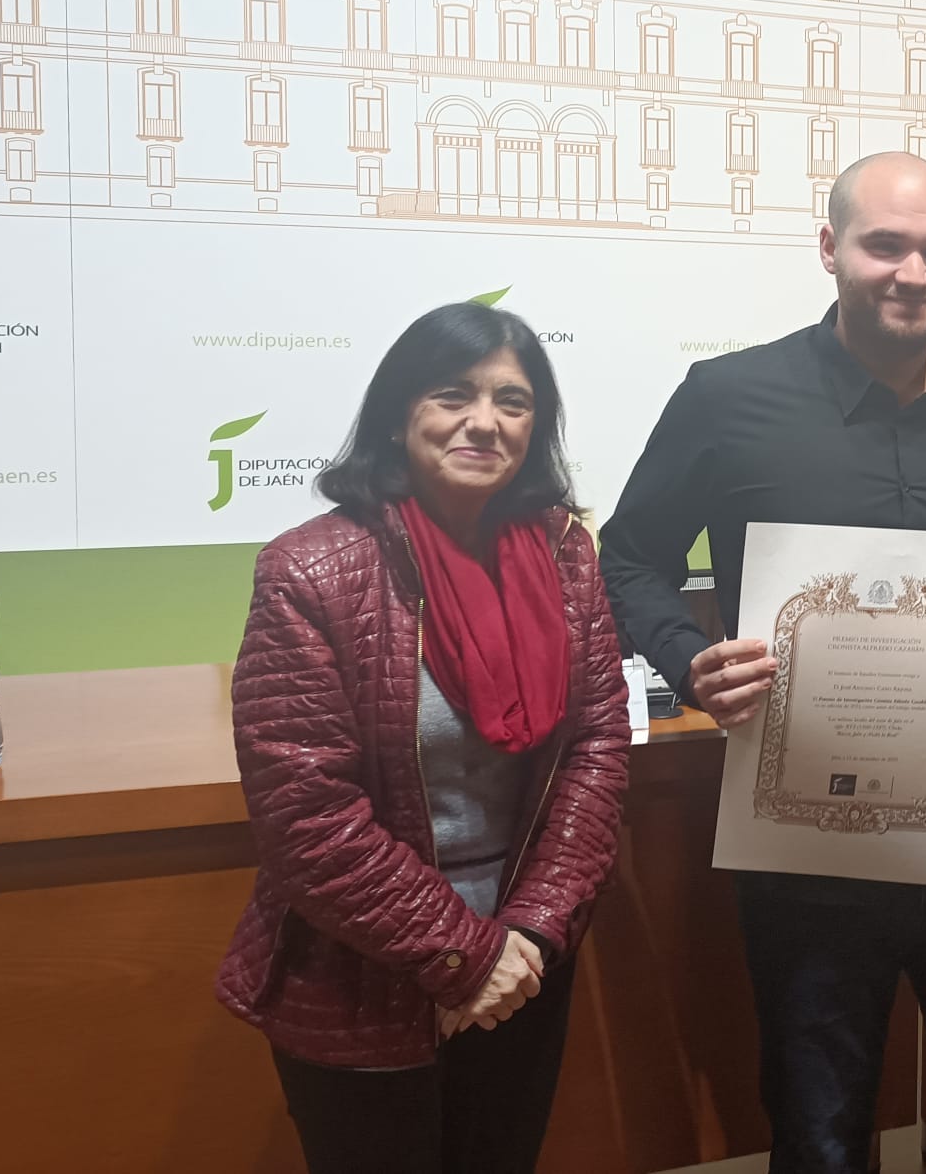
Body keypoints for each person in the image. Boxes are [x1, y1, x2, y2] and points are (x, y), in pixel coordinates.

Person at [600, 152, 926, 1174]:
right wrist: (690, 658)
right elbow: (627, 559)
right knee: (818, 1128)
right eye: (883, 244)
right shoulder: (725, 396)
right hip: (800, 831)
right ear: (829, 249)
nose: (912, 271)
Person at [216, 303, 630, 1174]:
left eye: (513, 402)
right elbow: (306, 819)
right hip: (366, 973)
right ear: (401, 414)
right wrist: (463, 957)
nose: (483, 421)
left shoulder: (563, 555)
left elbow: (594, 753)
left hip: (524, 966)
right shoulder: (311, 569)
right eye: (453, 394)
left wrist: (529, 937)